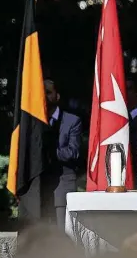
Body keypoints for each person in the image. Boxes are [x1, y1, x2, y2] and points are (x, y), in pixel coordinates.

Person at [22, 80, 81, 231]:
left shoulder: (72, 121)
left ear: (57, 96)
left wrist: (48, 151)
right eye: (42, 93)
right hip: (37, 189)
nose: (45, 96)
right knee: (38, 236)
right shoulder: (32, 122)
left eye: (48, 92)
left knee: (61, 235)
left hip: (62, 186)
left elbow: (73, 152)